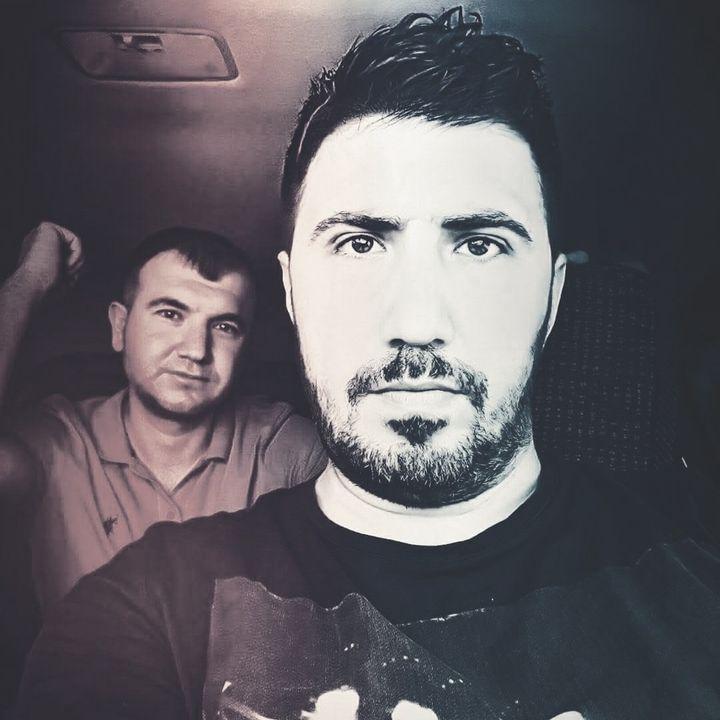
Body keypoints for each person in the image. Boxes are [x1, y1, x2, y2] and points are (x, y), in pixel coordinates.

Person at [15, 8, 720, 719]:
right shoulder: (142, 610)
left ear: (553, 297)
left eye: (480, 245)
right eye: (359, 244)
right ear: (292, 293)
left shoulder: (697, 566)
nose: (417, 324)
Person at [0, 224, 327, 612]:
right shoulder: (56, 443)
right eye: (171, 314)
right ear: (119, 326)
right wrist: (29, 280)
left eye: (224, 326)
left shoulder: (285, 450)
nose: (196, 350)